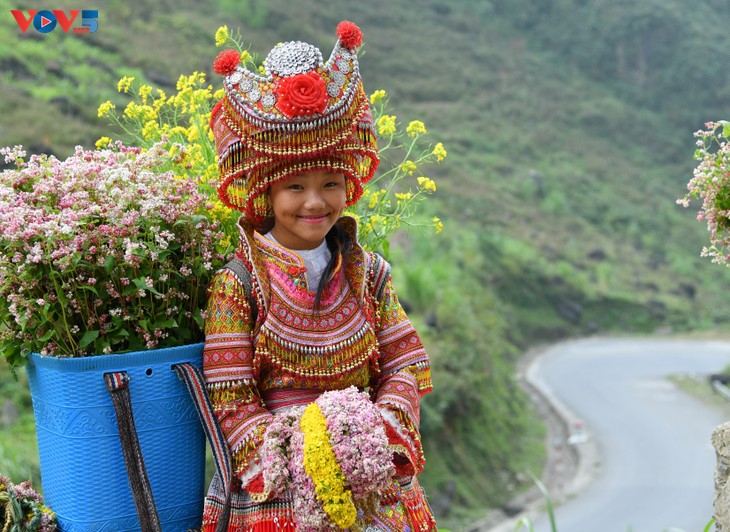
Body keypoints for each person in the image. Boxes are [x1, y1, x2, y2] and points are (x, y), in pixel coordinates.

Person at [202, 20, 436, 531]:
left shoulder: (368, 273)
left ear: (348, 186)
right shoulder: (238, 284)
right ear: (264, 194)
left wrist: (373, 434)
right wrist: (306, 455)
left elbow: (401, 369)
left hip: (374, 483)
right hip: (279, 496)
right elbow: (231, 398)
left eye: (331, 182)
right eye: (294, 188)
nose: (315, 202)